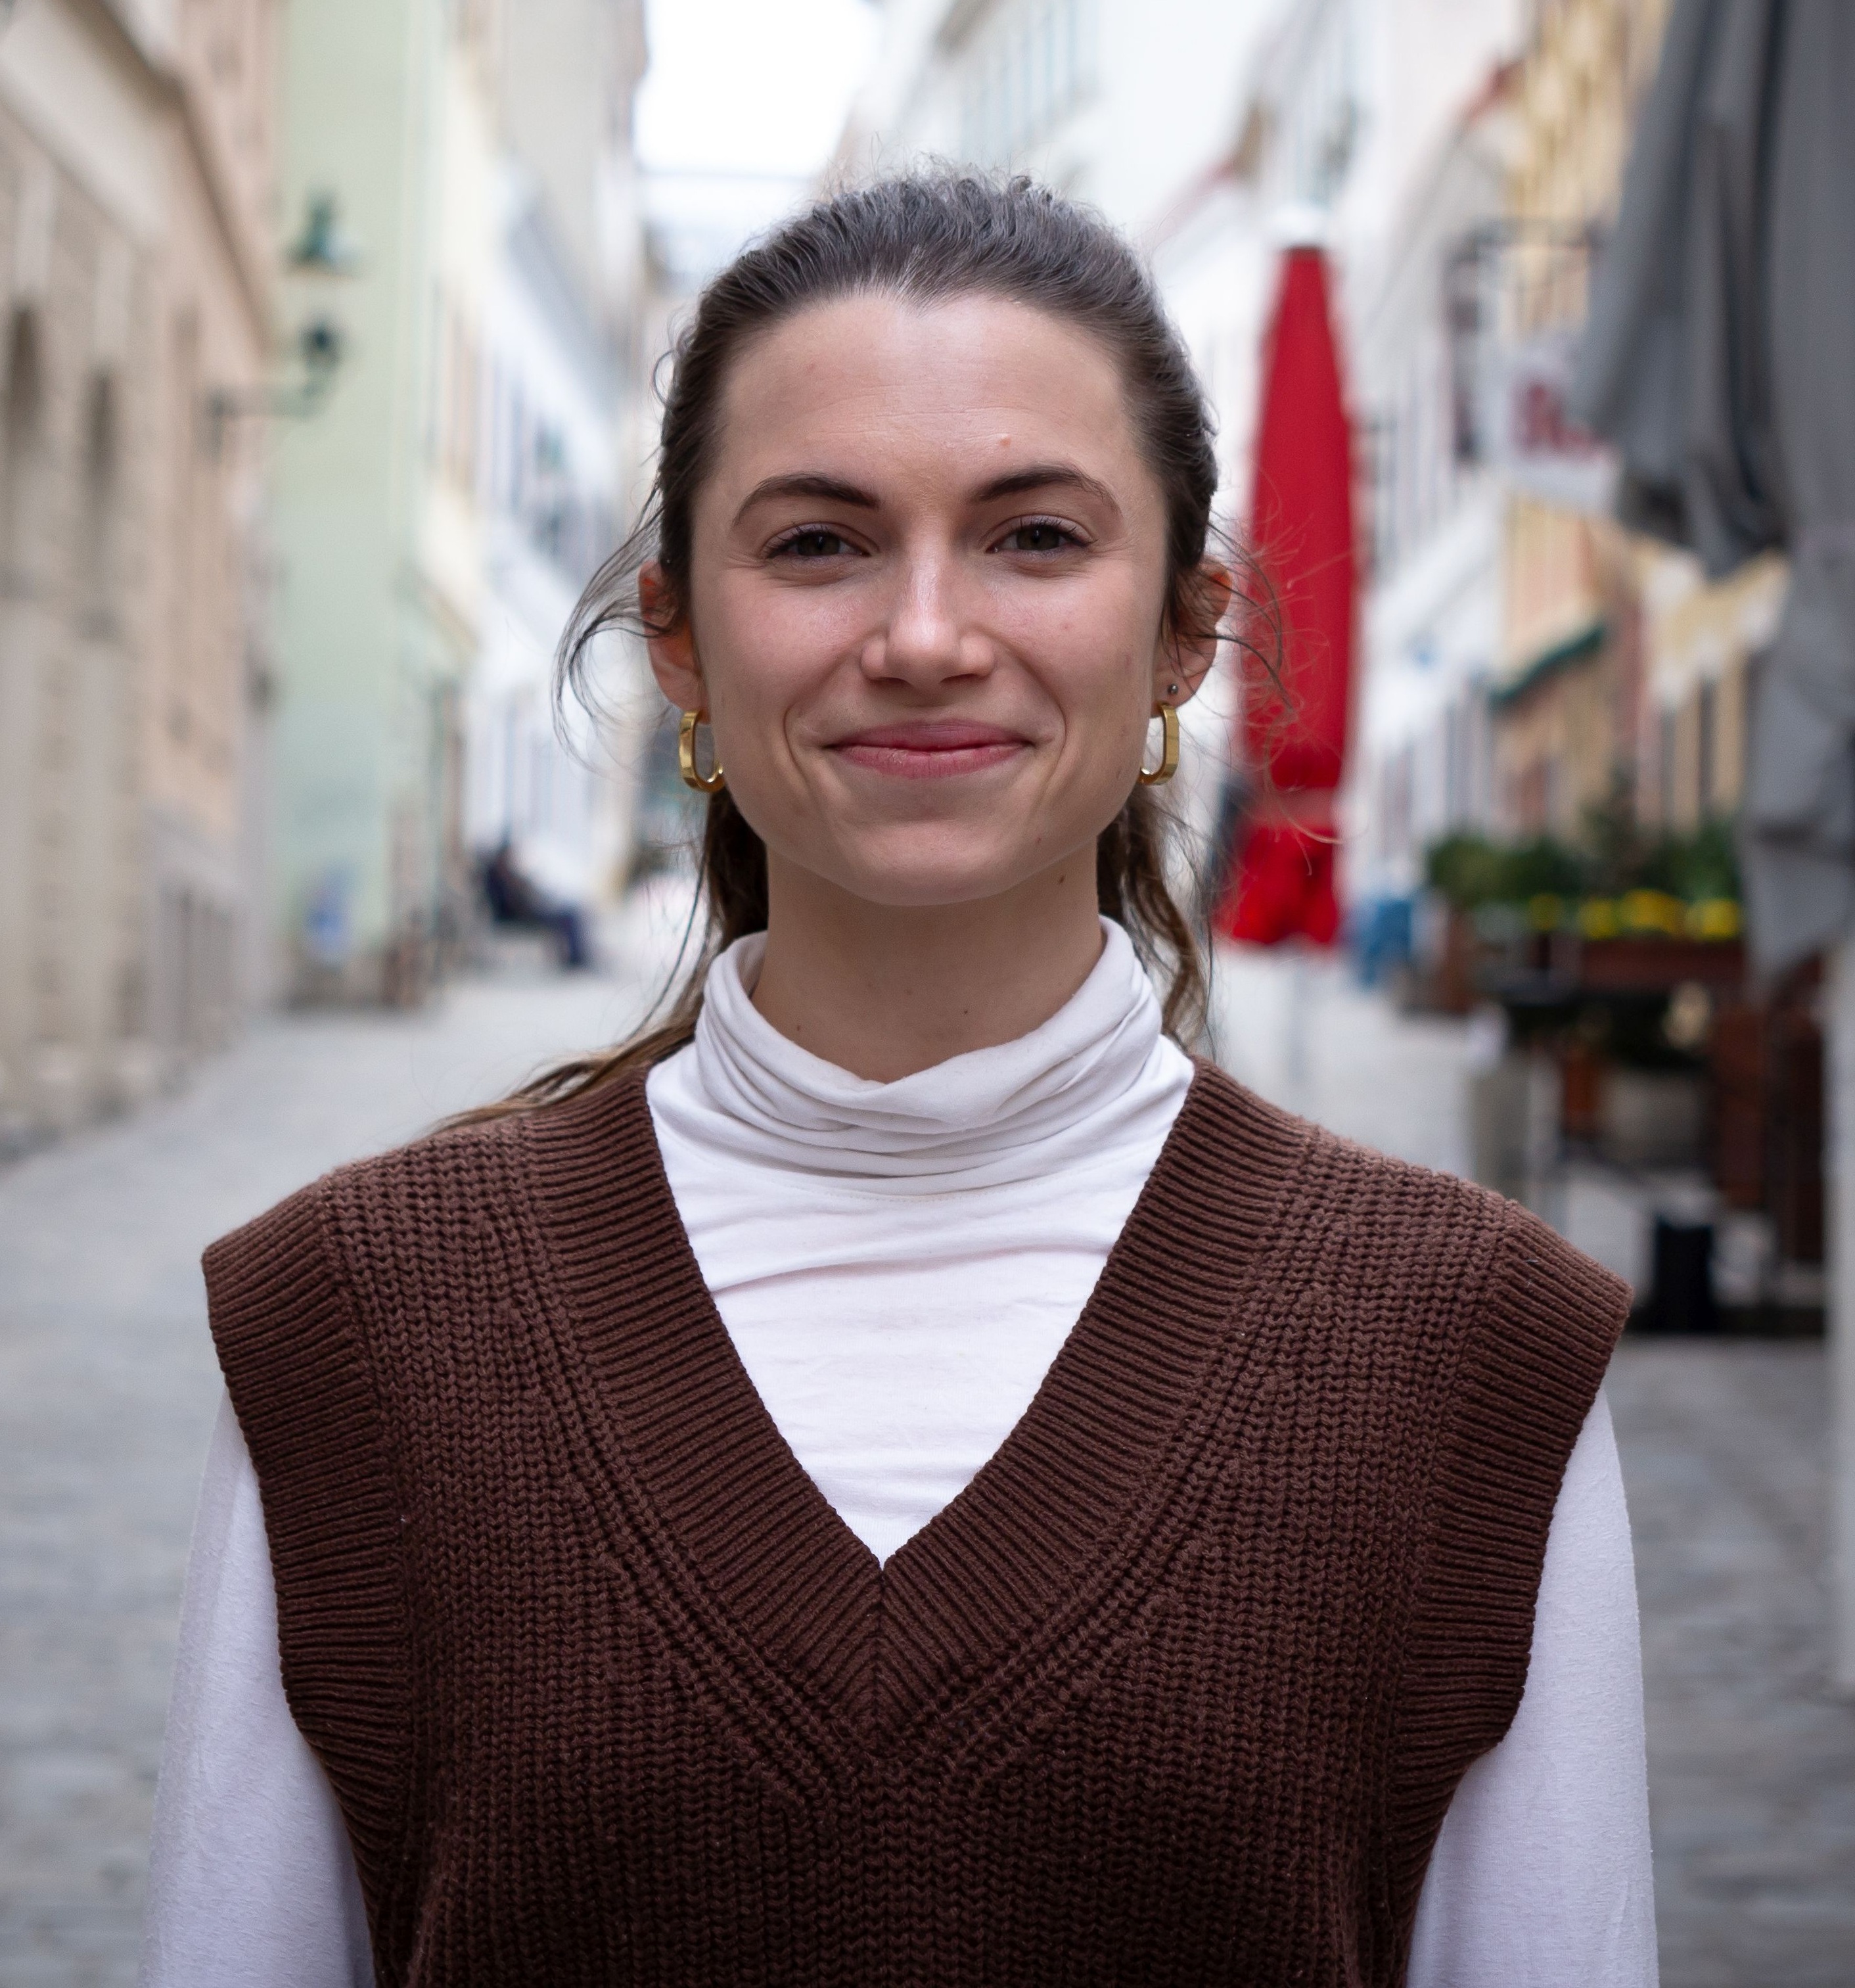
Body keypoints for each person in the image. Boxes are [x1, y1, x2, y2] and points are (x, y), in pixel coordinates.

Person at [139, 175, 1656, 1987]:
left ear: (1188, 629)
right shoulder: (355, 1331)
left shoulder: (1473, 1354)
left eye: (1033, 537)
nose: (927, 632)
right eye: (818, 543)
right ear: (678, 640)